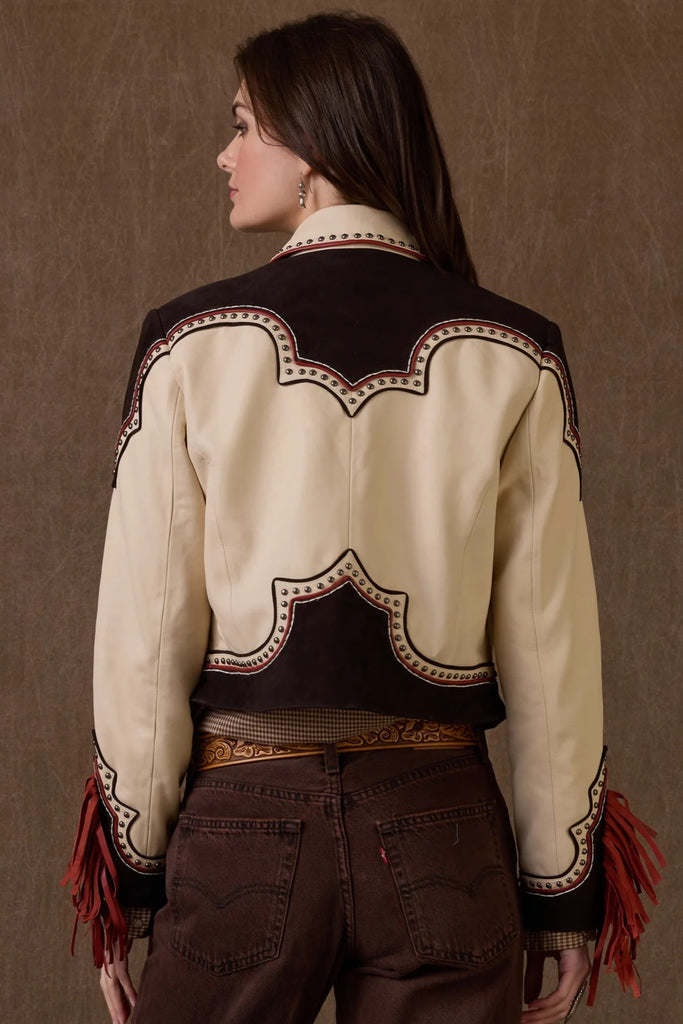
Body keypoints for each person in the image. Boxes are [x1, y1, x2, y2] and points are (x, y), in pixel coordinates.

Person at [62, 11, 663, 1024]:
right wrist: (561, 897)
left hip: (241, 827)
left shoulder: (188, 345)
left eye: (243, 125)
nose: (224, 154)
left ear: (312, 145)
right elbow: (550, 647)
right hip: (442, 830)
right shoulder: (516, 353)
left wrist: (128, 881)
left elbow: (144, 637)